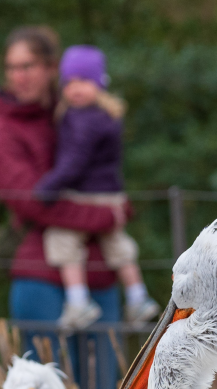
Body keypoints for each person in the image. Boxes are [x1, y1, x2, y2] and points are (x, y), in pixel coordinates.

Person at [0, 25, 128, 389]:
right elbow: (33, 202)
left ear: (50, 69)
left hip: (98, 272)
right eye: (11, 68)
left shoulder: (78, 112)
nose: (18, 76)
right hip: (41, 275)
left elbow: (107, 173)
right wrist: (107, 215)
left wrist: (114, 210)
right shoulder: (2, 130)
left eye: (28, 66)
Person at [33, 44, 160, 329]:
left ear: (99, 83)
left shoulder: (83, 120)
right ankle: (138, 296)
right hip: (112, 194)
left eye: (84, 81)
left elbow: (74, 161)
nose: (76, 88)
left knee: (63, 238)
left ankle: (78, 302)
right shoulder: (107, 116)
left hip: (86, 195)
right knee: (117, 245)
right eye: (70, 82)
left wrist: (49, 187)